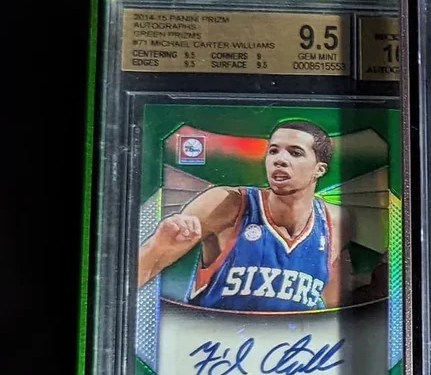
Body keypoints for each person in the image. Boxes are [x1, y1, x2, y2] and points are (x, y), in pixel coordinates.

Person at [137, 120, 353, 311]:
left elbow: (333, 313)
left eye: (295, 153)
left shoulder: (335, 222)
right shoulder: (225, 203)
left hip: (294, 344)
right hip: (215, 342)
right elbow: (134, 276)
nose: (279, 160)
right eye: (273, 151)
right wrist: (158, 245)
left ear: (319, 169)